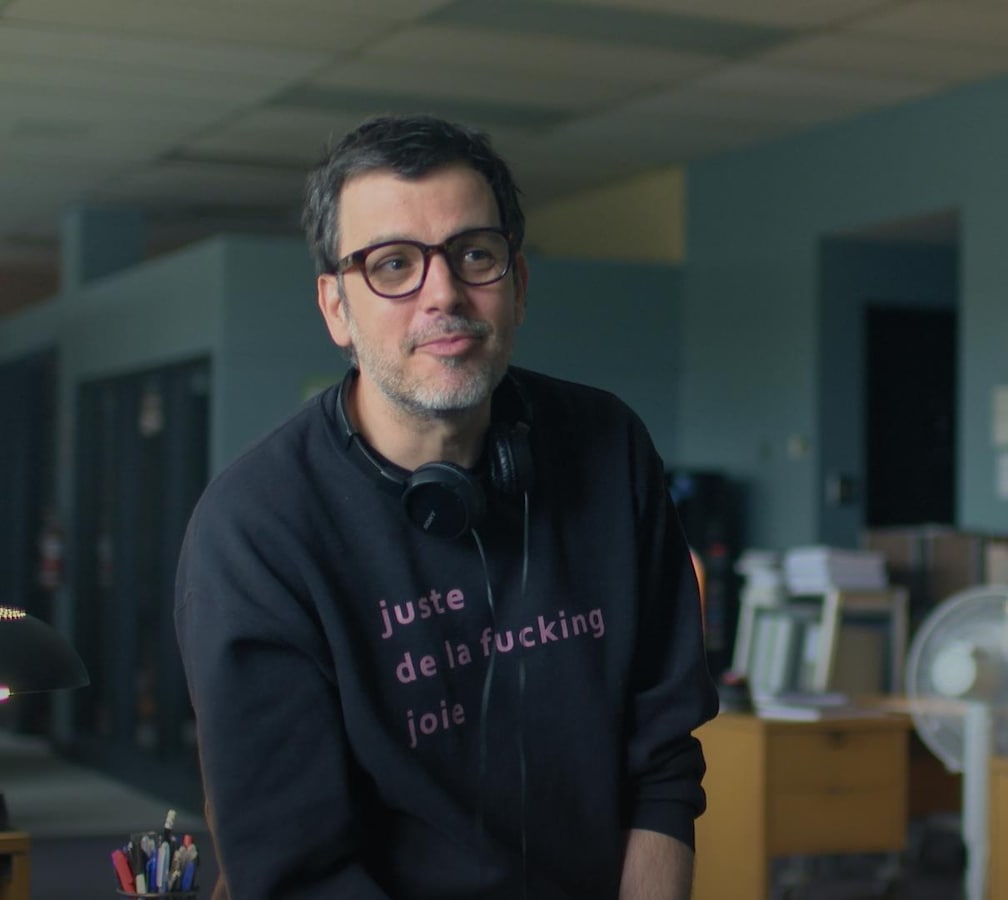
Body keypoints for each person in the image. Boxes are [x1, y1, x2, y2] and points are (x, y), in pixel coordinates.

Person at [173, 115, 717, 900]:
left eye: (474, 254)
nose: (444, 294)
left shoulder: (610, 448)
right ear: (336, 309)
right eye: (393, 263)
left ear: (518, 283)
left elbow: (664, 763)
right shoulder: (254, 532)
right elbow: (297, 872)